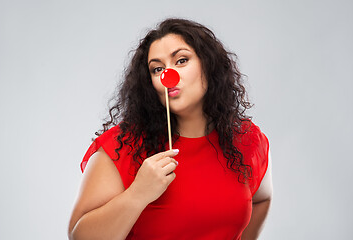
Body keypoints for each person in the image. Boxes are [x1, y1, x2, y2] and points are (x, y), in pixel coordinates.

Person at [68, 18, 273, 240]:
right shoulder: (122, 147)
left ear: (209, 64)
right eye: (157, 69)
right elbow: (80, 236)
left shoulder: (246, 139)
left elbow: (262, 199)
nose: (168, 76)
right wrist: (138, 194)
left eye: (181, 60)